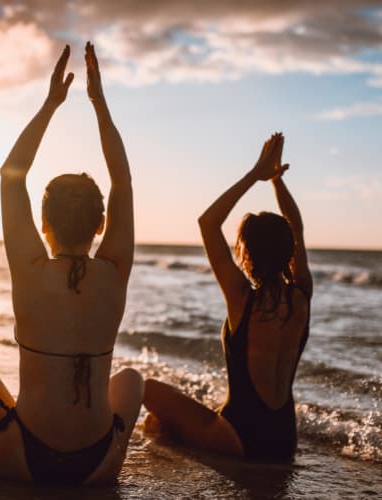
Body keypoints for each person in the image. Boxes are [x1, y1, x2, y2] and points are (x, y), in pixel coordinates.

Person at [0, 42, 143, 485]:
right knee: (131, 380)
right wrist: (98, 101)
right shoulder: (114, 270)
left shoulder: (30, 268)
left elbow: (10, 173)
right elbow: (123, 181)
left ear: (43, 224)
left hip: (22, 460)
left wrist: (52, 102)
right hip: (98, 467)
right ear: (101, 225)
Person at [143, 133, 312, 462]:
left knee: (147, 390)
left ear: (246, 252)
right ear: (288, 249)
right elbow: (298, 227)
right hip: (283, 440)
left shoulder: (242, 298)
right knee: (170, 419)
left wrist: (256, 174)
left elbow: (208, 223)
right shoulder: (302, 296)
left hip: (239, 437)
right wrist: (276, 181)